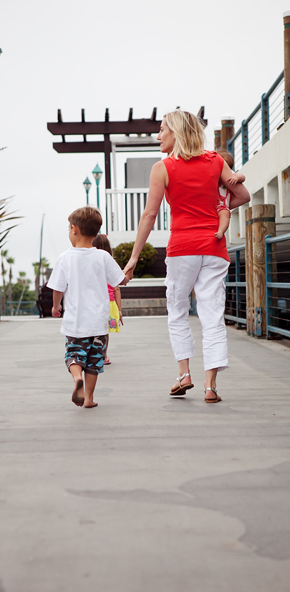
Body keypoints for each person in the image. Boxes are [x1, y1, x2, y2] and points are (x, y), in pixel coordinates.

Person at [123, 110, 250, 402]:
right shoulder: (216, 161)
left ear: (176, 132)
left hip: (182, 249)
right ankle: (210, 386)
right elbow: (243, 195)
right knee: (212, 314)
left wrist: (133, 258)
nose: (158, 136)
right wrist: (221, 206)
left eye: (162, 130)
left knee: (178, 311)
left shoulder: (163, 167)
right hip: (214, 249)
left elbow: (149, 215)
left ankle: (184, 374)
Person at [49, 207, 127, 409]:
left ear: (74, 229)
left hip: (76, 323)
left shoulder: (65, 258)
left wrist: (56, 306)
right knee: (94, 362)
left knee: (74, 355)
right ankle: (89, 398)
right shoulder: (103, 257)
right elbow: (120, 280)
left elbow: (58, 289)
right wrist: (129, 270)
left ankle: (76, 379)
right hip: (99, 323)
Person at [91, 234, 123, 365]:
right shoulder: (111, 263)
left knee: (93, 330)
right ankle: (103, 356)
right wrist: (119, 309)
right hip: (110, 303)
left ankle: (92, 354)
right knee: (104, 332)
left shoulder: (92, 264)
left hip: (95, 302)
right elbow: (117, 289)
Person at [213, 150, 246, 241]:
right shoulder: (214, 175)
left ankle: (221, 231)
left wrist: (236, 178)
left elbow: (243, 177)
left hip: (222, 205)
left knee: (225, 215)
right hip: (212, 204)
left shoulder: (230, 174)